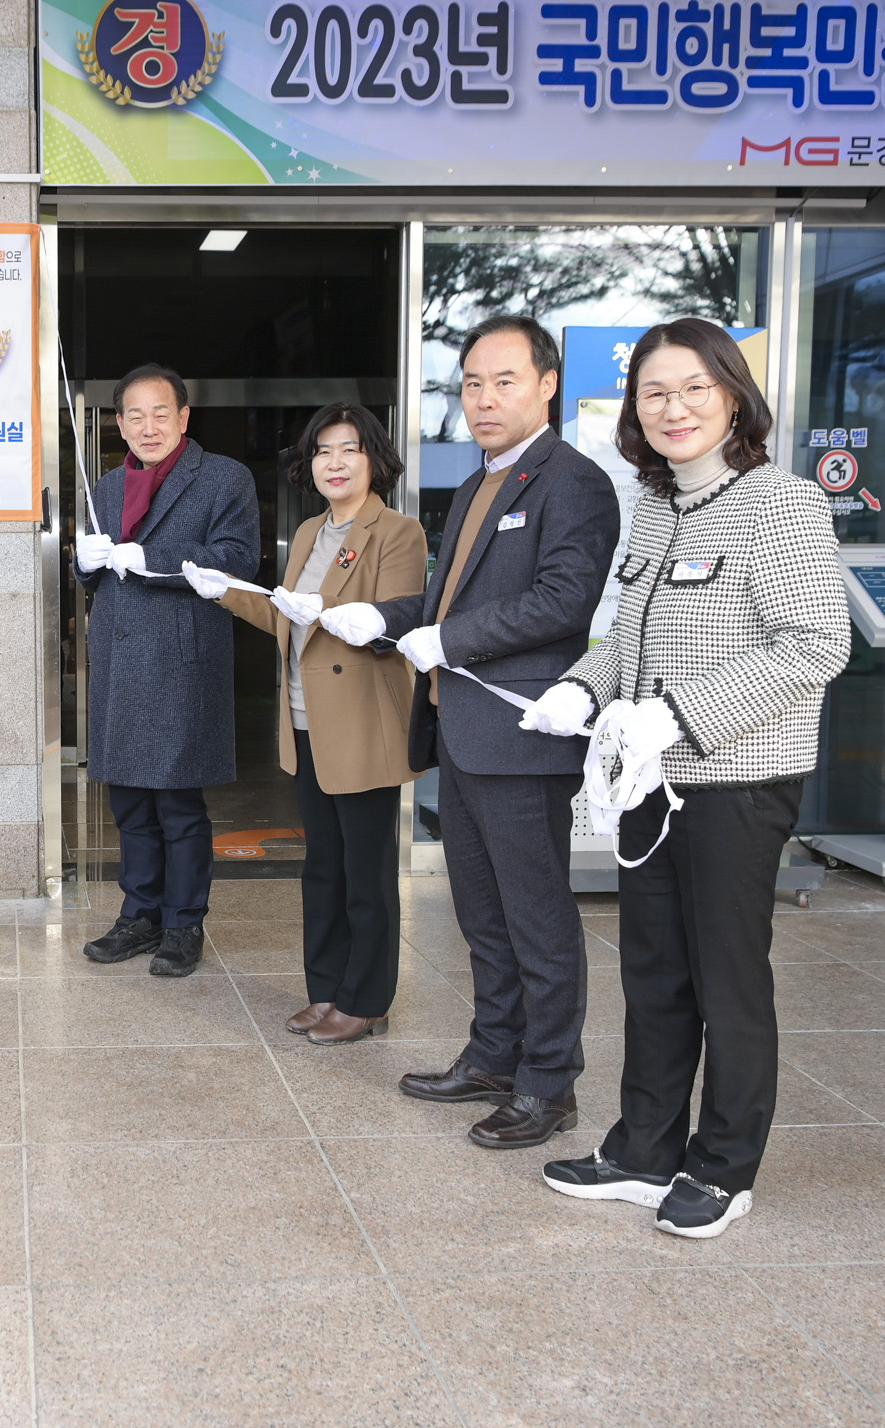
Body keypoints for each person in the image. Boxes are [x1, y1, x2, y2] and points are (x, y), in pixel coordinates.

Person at [528, 318, 849, 1237]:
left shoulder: (782, 503)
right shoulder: (657, 503)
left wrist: (679, 713)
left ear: (734, 397)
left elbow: (816, 644)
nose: (674, 409)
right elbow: (627, 635)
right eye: (654, 393)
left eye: (694, 389)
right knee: (656, 973)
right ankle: (643, 1149)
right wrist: (579, 688)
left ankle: (723, 1167)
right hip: (649, 781)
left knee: (725, 979)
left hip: (737, 778)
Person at [317, 315, 619, 1149]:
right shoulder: (483, 482)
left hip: (522, 736)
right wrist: (382, 618)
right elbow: (448, 600)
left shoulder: (572, 482)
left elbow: (563, 601)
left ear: (547, 385)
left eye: (504, 382)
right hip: (463, 730)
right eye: (472, 385)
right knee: (482, 915)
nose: (484, 400)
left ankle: (549, 1082)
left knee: (536, 918)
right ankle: (493, 1054)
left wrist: (448, 641)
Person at [185, 403, 427, 1040]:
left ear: (375, 459)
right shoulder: (310, 533)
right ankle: (326, 991)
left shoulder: (397, 532)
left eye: (349, 449)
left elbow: (393, 622)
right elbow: (285, 619)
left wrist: (323, 611)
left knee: (366, 872)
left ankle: (366, 1001)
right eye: (322, 451)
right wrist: (226, 590)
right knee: (323, 866)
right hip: (304, 720)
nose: (334, 463)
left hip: (361, 723)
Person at [76, 363, 259, 976]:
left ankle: (183, 925)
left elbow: (237, 560)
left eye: (161, 413)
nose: (148, 426)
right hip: (119, 663)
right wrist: (83, 562)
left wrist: (152, 556)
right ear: (119, 423)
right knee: (129, 804)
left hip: (180, 664)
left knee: (178, 806)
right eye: (135, 415)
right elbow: (98, 573)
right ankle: (139, 915)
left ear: (184, 417)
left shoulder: (223, 478)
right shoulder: (106, 487)